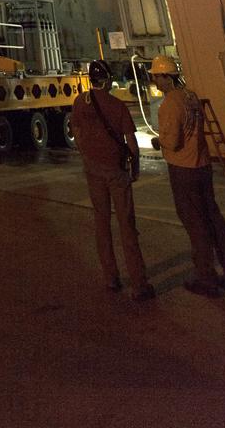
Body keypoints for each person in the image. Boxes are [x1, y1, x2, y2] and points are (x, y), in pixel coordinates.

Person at [150, 55, 225, 297]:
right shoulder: (191, 96)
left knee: (196, 225)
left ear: (165, 77)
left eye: (156, 76)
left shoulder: (170, 104)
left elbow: (172, 141)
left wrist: (157, 140)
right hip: (203, 165)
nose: (154, 80)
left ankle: (206, 278)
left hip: (183, 169)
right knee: (214, 220)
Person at [72, 59, 154, 301]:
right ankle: (139, 283)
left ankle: (110, 277)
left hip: (93, 171)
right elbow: (131, 142)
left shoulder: (79, 103)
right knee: (127, 225)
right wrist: (134, 168)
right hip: (116, 171)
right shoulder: (117, 105)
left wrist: (88, 154)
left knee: (101, 224)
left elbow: (77, 134)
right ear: (107, 80)